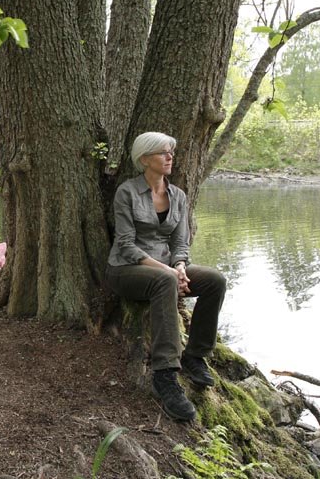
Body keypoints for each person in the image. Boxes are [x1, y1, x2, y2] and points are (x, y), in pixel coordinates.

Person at [105, 131, 226, 422]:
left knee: (215, 280)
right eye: (162, 152)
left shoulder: (179, 196)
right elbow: (125, 244)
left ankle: (195, 357)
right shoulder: (127, 192)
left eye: (171, 151)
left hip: (168, 269)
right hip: (126, 269)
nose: (170, 157)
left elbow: (180, 243)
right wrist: (170, 272)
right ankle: (165, 376)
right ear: (145, 159)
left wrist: (181, 266)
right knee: (166, 281)